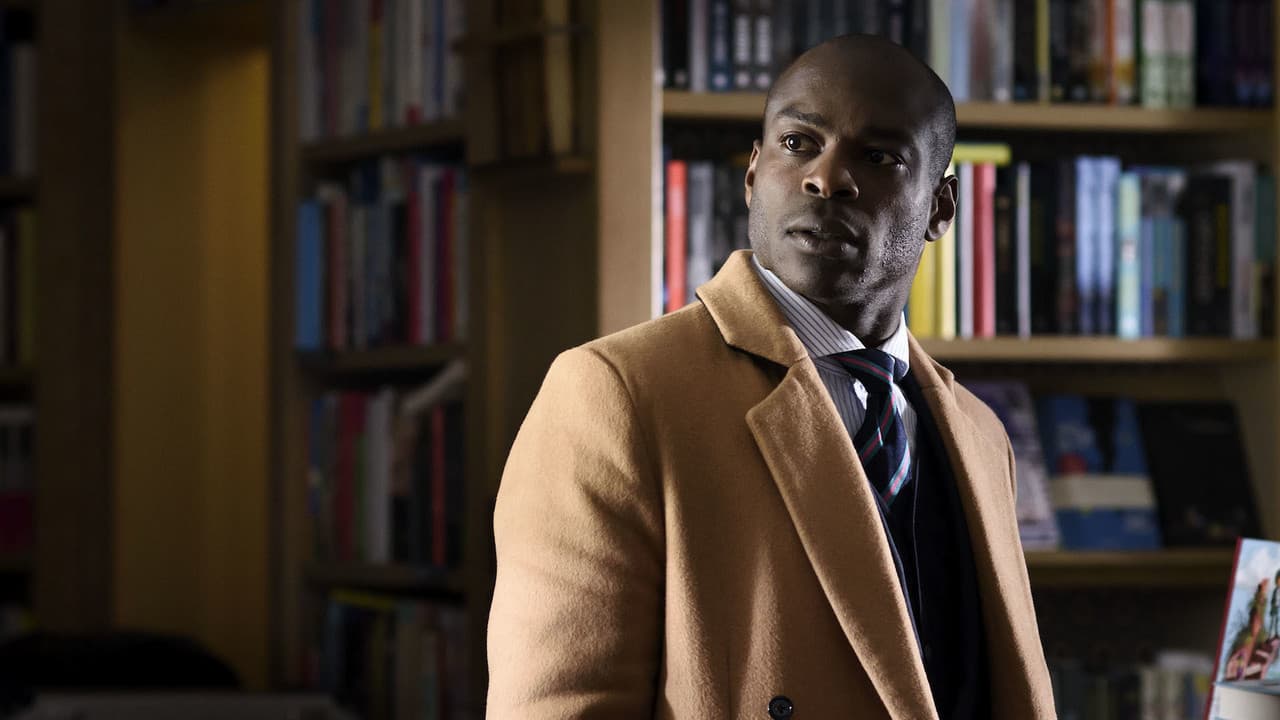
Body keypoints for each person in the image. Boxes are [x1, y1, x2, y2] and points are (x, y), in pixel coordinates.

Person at [487, 34, 1055, 719]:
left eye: (878, 156)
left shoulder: (982, 436)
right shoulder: (616, 394)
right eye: (797, 143)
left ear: (940, 207)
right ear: (753, 174)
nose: (827, 178)